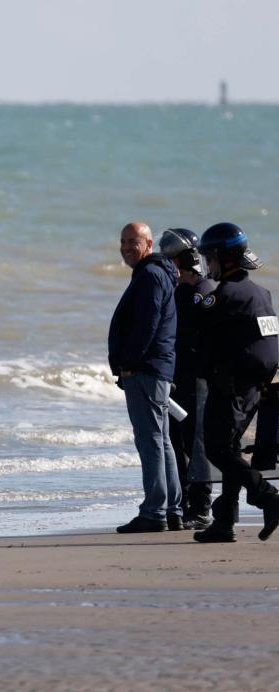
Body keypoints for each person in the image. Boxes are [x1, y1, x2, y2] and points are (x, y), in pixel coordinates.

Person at [191, 223, 279, 543]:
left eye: (210, 257)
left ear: (225, 258)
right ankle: (224, 521)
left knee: (217, 450)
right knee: (230, 450)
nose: (207, 265)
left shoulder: (223, 297)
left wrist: (195, 292)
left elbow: (200, 338)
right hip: (257, 388)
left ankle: (268, 497)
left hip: (230, 388)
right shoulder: (261, 293)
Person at [109, 222, 182, 533]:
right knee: (161, 440)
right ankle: (172, 509)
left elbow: (147, 324)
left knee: (151, 440)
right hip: (155, 368)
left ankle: (155, 512)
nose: (126, 247)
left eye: (132, 241)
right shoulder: (153, 273)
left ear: (149, 243)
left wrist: (129, 362)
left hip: (146, 370)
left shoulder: (150, 275)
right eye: (123, 241)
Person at [163, 228, 215, 529]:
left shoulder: (203, 291)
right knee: (176, 439)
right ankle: (182, 502)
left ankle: (201, 506)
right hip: (176, 374)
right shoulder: (179, 290)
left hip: (197, 376)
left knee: (197, 441)